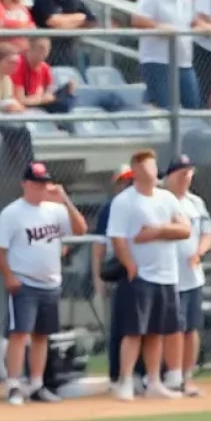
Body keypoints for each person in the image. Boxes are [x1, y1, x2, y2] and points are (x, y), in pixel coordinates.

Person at [0, 161, 87, 404]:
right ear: (25, 184)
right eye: (36, 183)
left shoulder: (55, 210)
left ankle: (36, 384)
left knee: (42, 336)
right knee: (19, 333)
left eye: (44, 182)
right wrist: (9, 276)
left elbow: (80, 229)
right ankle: (14, 384)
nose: (41, 187)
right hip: (24, 281)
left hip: (50, 283)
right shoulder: (12, 212)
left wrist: (63, 198)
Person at [106, 149, 191, 401]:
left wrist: (157, 230)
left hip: (167, 275)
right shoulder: (125, 201)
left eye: (153, 167)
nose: (152, 173)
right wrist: (130, 264)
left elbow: (184, 229)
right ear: (136, 170)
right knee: (134, 332)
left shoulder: (167, 199)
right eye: (146, 168)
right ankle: (125, 381)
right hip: (141, 276)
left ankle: (154, 381)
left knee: (157, 331)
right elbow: (118, 237)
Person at [161, 155, 211, 396]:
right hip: (168, 276)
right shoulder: (160, 201)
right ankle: (170, 376)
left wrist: (199, 252)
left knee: (191, 328)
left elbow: (208, 232)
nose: (186, 177)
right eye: (181, 173)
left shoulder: (196, 202)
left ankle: (187, 376)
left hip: (192, 276)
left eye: (189, 173)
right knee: (172, 328)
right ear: (169, 176)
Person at [91, 165, 135, 388]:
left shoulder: (140, 203)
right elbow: (99, 246)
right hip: (116, 270)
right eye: (123, 181)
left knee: (139, 327)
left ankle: (139, 373)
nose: (127, 185)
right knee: (118, 326)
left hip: (139, 270)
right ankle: (116, 375)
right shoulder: (110, 208)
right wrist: (98, 278)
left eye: (130, 180)